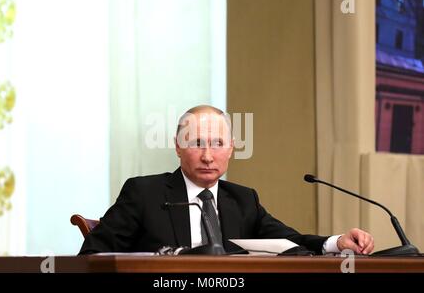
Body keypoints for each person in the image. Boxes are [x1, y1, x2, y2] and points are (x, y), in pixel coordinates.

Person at [79, 105, 374, 255]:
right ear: (178, 146)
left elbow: (289, 242)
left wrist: (338, 242)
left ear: (231, 148)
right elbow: (92, 254)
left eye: (218, 144)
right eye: (196, 143)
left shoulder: (243, 199)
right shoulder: (144, 193)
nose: (208, 156)